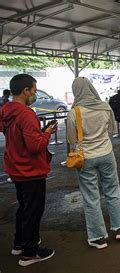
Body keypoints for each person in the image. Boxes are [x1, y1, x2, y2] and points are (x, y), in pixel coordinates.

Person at [67, 77, 120, 250]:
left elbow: (71, 139)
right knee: (112, 190)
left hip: (85, 158)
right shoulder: (105, 107)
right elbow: (112, 130)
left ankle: (98, 238)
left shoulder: (75, 112)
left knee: (91, 197)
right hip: (106, 154)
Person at [0, 74, 56, 266]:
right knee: (33, 210)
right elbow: (34, 146)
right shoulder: (26, 113)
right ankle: (29, 252)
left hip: (15, 168)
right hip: (30, 171)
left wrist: (40, 133)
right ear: (25, 91)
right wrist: (47, 133)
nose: (34, 93)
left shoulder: (7, 110)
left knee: (24, 208)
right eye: (33, 89)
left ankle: (19, 243)